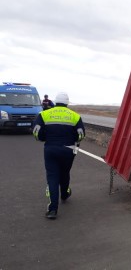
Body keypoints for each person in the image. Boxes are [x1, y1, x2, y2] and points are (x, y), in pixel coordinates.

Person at [33, 92, 85, 220]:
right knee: (65, 172)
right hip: (69, 150)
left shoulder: (44, 114)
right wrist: (72, 141)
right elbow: (81, 135)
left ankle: (52, 210)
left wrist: (45, 138)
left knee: (52, 177)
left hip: (50, 148)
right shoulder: (75, 116)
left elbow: (36, 132)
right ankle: (65, 194)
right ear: (67, 103)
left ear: (55, 102)